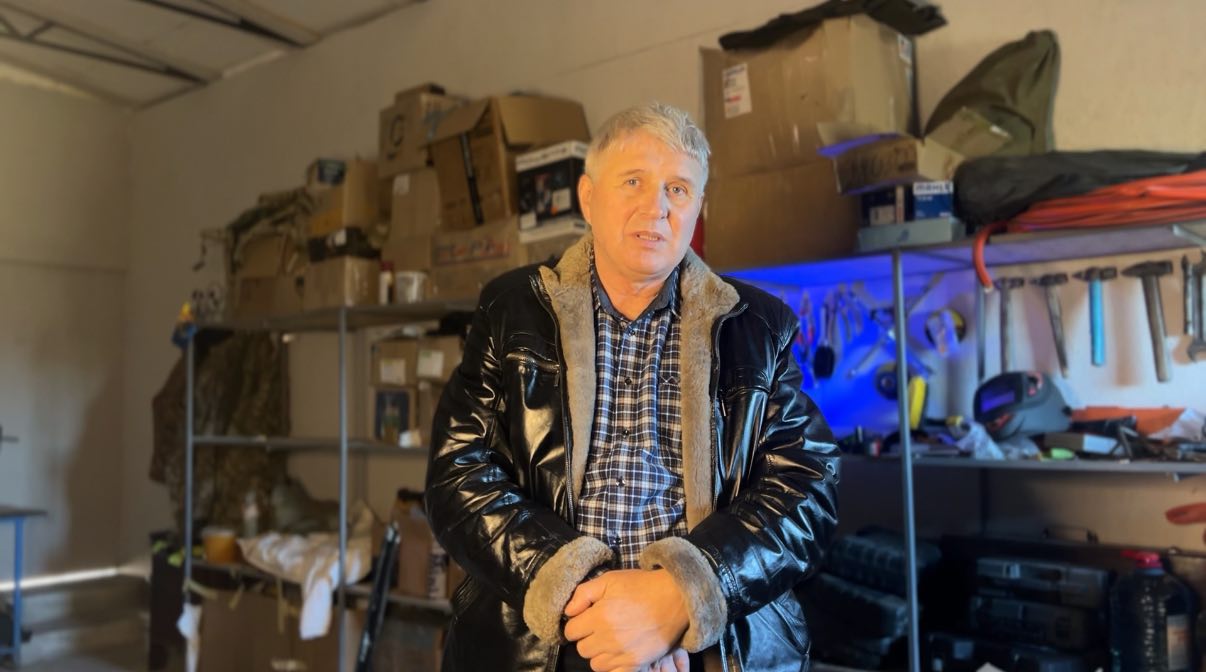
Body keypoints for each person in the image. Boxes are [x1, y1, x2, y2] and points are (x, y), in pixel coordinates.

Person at [425, 101, 839, 672]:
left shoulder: (759, 327)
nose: (657, 207)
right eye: (634, 182)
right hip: (543, 646)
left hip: (709, 652)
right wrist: (595, 603)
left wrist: (683, 595)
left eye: (678, 189)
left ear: (698, 209)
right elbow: (457, 473)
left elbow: (808, 486)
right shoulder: (510, 309)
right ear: (588, 197)